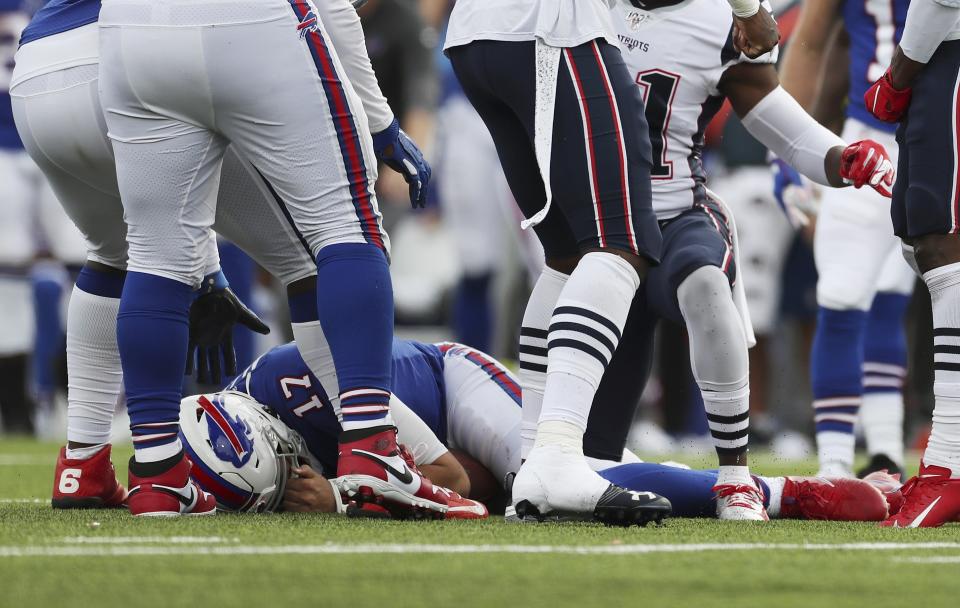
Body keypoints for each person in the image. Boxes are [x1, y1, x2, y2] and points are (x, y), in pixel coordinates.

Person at [12, 0, 434, 517]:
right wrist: (381, 121)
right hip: (170, 38)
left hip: (46, 63)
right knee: (321, 246)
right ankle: (373, 448)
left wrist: (202, 260)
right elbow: (330, 10)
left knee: (123, 256)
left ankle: (89, 463)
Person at [443, 0, 778, 526]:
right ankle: (555, 455)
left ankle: (532, 460)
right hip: (550, 26)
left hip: (472, 33)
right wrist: (748, 7)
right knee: (622, 240)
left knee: (566, 254)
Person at [577, 0, 895, 520]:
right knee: (586, 462)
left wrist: (843, 159)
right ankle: (771, 488)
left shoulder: (719, 20)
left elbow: (779, 122)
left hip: (673, 214)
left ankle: (736, 478)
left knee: (704, 281)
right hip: (592, 230)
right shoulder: (581, 10)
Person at [182, 338, 896, 522]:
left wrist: (340, 496)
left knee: (545, 482)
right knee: (552, 487)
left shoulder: (310, 384)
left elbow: (454, 484)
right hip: (428, 440)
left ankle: (793, 491)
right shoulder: (225, 437)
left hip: (453, 388)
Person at [778, 0, 915, 479]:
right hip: (872, 137)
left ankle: (904, 453)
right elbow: (812, 42)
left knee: (901, 298)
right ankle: (838, 467)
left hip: (944, 138)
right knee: (843, 292)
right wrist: (788, 152)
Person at [864, 0, 960, 527]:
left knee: (944, 245)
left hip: (948, 52)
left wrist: (900, 73)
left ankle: (950, 462)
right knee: (927, 246)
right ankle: (945, 459)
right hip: (941, 52)